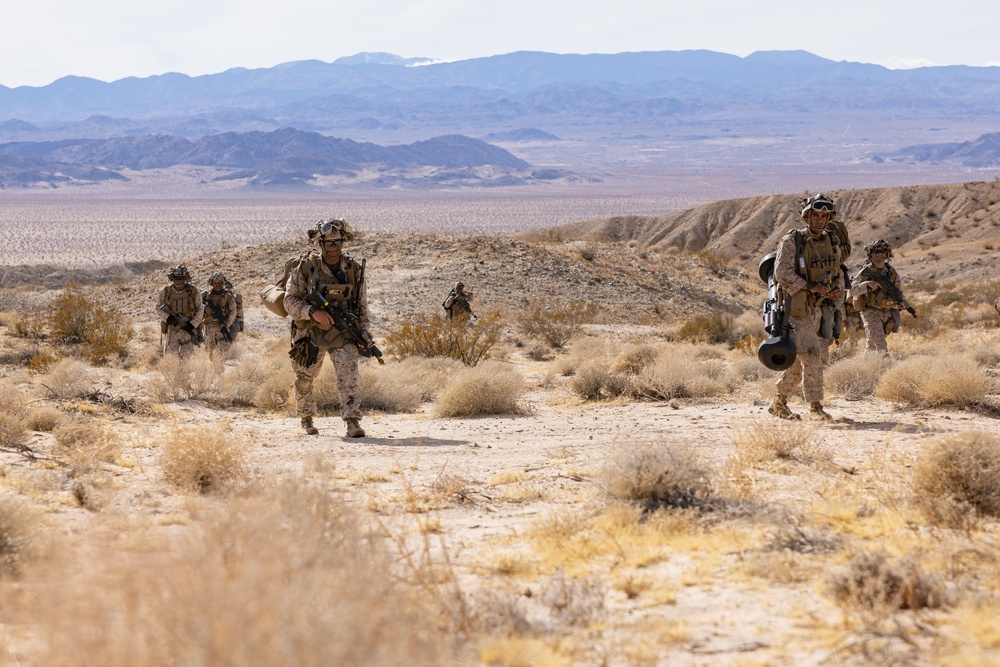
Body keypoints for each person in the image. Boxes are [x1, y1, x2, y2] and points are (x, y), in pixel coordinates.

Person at [283, 217, 372, 438]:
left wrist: (365, 329)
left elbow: (361, 303)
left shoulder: (353, 268)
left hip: (342, 331)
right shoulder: (305, 268)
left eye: (338, 242)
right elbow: (289, 301)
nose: (334, 247)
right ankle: (306, 418)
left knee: (349, 376)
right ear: (320, 244)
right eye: (329, 242)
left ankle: (352, 420)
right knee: (304, 378)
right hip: (310, 331)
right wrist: (313, 312)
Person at [767, 195, 845, 422]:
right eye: (815, 215)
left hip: (822, 311)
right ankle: (816, 408)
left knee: (800, 360)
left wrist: (838, 304)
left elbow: (838, 274)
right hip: (796, 310)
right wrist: (811, 287)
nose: (820, 220)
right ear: (806, 216)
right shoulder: (792, 241)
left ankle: (779, 402)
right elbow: (781, 274)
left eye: (824, 216)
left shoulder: (832, 242)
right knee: (812, 355)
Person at [847, 239, 917, 355]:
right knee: (881, 344)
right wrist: (867, 285)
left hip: (887, 312)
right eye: (876, 251)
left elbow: (898, 292)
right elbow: (852, 290)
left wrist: (901, 304)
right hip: (870, 312)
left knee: (872, 345)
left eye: (883, 251)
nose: (880, 254)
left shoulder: (891, 272)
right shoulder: (866, 271)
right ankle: (887, 369)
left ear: (887, 253)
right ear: (871, 253)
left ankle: (865, 368)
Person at [156, 264, 205, 357]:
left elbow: (200, 309)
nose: (178, 281)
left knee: (187, 357)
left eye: (181, 278)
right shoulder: (165, 291)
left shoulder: (194, 291)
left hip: (188, 328)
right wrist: (168, 318)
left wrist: (192, 324)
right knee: (170, 357)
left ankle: (184, 372)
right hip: (172, 329)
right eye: (176, 278)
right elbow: (158, 308)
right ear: (172, 278)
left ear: (185, 278)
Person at [201, 272, 238, 361]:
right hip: (208, 328)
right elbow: (197, 306)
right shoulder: (205, 296)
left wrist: (227, 325)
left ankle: (219, 371)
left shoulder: (228, 297)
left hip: (222, 327)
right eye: (215, 283)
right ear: (212, 283)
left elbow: (233, 312)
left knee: (221, 352)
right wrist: (205, 308)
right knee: (210, 352)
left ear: (223, 283)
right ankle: (214, 369)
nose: (217, 285)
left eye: (220, 283)